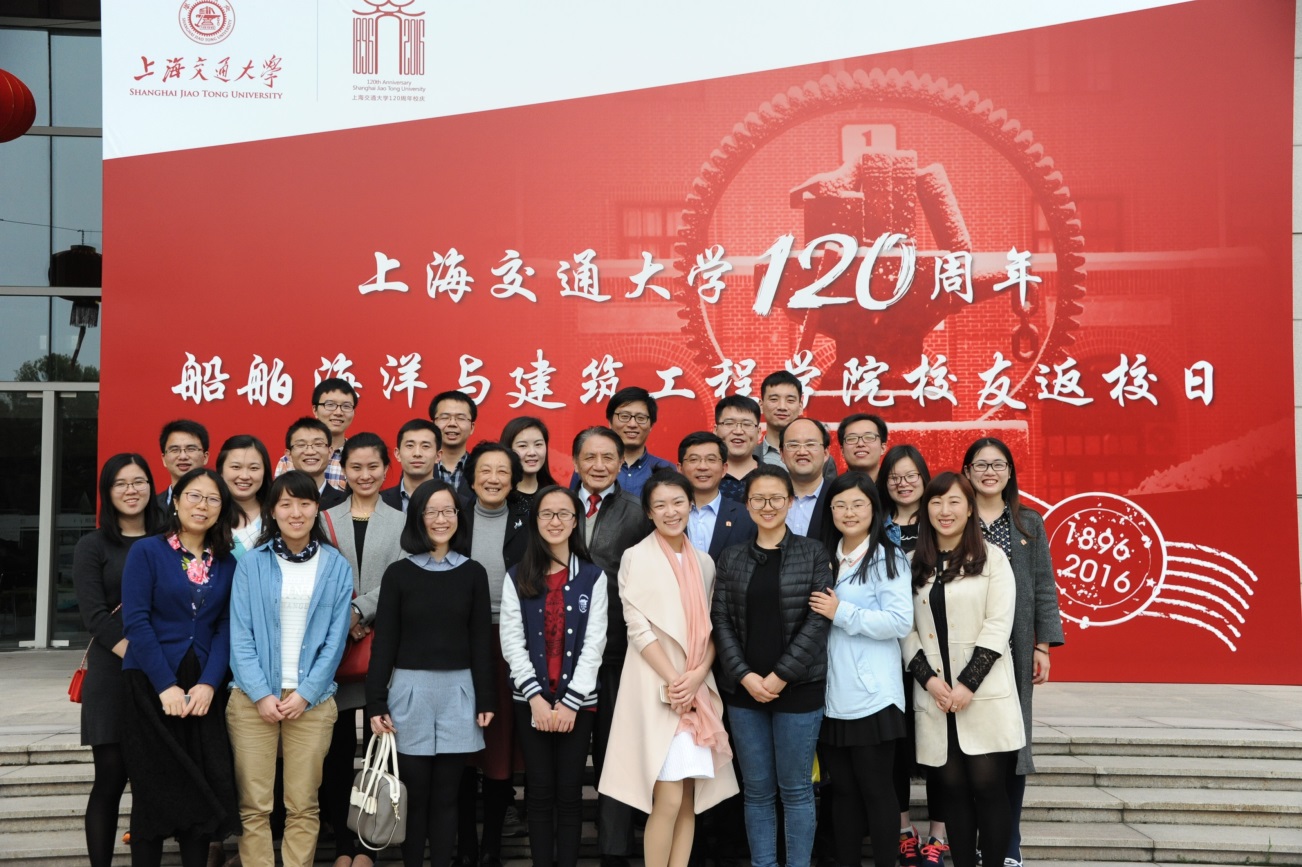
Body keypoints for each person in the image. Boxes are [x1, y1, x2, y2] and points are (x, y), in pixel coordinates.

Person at [600, 472, 739, 867]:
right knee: (668, 797)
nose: (670, 511)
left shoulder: (704, 562)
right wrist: (677, 681)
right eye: (659, 505)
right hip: (657, 688)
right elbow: (637, 628)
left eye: (678, 502)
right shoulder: (636, 557)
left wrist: (696, 677)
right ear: (649, 512)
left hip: (696, 689)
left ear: (690, 504)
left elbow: (714, 628)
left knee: (688, 800)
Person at [366, 479, 496, 867]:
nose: (441, 519)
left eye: (449, 511)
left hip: (459, 692)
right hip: (409, 692)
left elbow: (480, 641)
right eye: (432, 512)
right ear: (418, 518)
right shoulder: (398, 574)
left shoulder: (473, 573)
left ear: (459, 517)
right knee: (414, 794)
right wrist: (376, 702)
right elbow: (384, 643)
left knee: (447, 797)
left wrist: (486, 697)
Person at [227, 470, 353, 867]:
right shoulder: (252, 564)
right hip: (252, 699)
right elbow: (240, 635)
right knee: (254, 805)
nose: (295, 512)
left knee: (303, 803)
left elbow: (335, 641)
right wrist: (261, 694)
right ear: (272, 511)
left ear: (316, 509)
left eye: (304, 503)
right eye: (285, 504)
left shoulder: (336, 566)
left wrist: (305, 693)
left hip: (311, 701)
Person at [711, 464, 831, 867]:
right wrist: (745, 676)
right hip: (744, 694)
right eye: (758, 499)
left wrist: (780, 676)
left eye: (776, 498)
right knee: (757, 791)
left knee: (796, 790)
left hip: (799, 690)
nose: (767, 506)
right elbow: (720, 621)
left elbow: (817, 622)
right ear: (747, 504)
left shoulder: (813, 553)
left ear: (790, 502)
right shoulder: (731, 558)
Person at [119, 467, 240, 867]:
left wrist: (209, 683)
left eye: (213, 499)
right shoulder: (147, 552)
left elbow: (226, 626)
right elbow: (136, 622)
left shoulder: (226, 562)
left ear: (222, 509)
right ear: (175, 501)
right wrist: (165, 685)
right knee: (152, 792)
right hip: (150, 682)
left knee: (200, 789)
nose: (202, 505)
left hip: (202, 687)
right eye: (194, 496)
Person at [903, 473, 1024, 867]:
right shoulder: (912, 562)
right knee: (951, 790)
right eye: (936, 502)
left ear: (970, 508)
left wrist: (967, 684)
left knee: (988, 788)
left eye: (954, 501)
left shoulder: (993, 558)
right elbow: (905, 630)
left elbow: (998, 625)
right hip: (936, 697)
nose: (945, 510)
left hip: (982, 694)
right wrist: (930, 681)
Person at [962, 438, 1064, 867]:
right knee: (972, 748)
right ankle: (976, 838)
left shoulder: (1027, 522)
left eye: (998, 464)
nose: (990, 472)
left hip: (1016, 648)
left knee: (1012, 744)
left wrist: (1043, 644)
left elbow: (1043, 585)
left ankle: (1008, 842)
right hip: (965, 648)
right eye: (981, 465)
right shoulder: (957, 517)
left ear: (1009, 471)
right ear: (967, 471)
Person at [499, 485, 608, 867]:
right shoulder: (517, 576)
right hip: (532, 703)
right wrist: (535, 698)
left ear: (576, 521)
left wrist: (570, 703)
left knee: (570, 793)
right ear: (535, 521)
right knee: (540, 792)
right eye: (547, 513)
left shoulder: (593, 577)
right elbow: (512, 642)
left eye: (564, 514)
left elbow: (595, 644)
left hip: (579, 704)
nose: (555, 521)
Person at [809, 472, 912, 867]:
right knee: (843, 792)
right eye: (840, 505)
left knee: (876, 790)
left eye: (858, 504)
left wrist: (842, 612)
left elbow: (899, 622)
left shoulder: (888, 557)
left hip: (874, 696)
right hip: (833, 695)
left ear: (874, 509)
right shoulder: (824, 556)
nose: (849, 512)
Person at [320, 433, 407, 867]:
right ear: (343, 470)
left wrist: (358, 611)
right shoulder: (324, 519)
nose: (365, 475)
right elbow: (317, 574)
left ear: (386, 470)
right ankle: (342, 844)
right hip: (333, 653)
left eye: (373, 466)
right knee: (336, 754)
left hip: (385, 647)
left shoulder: (403, 521)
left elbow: (401, 575)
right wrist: (343, 617)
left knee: (378, 750)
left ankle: (370, 843)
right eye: (356, 467)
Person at [570, 426, 654, 867]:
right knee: (566, 757)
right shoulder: (557, 505)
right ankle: (563, 848)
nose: (599, 466)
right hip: (562, 652)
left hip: (618, 652)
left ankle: (614, 851)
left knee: (615, 754)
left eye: (608, 457)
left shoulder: (638, 513)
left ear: (622, 463)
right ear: (575, 462)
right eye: (590, 457)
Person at [74, 453, 162, 867]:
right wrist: (140, 656)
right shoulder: (92, 546)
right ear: (108, 492)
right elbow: (95, 616)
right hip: (112, 674)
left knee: (150, 783)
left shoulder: (169, 539)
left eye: (139, 481)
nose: (131, 490)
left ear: (151, 486)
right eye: (121, 483)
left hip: (162, 674)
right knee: (109, 779)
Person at [459, 442, 532, 867]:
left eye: (502, 471)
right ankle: (465, 846)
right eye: (485, 470)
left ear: (514, 479)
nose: (493, 478)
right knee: (461, 746)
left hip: (510, 641)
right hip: (460, 640)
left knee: (500, 746)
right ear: (471, 478)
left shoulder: (529, 519)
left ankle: (491, 848)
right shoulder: (454, 516)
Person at [876, 444, 944, 864]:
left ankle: (939, 833)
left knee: (938, 742)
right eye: (894, 477)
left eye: (911, 475)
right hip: (886, 650)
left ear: (923, 477)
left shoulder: (939, 521)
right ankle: (903, 828)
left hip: (934, 649)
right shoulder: (875, 524)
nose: (903, 484)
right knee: (895, 745)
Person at [678, 431, 756, 560]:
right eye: (693, 460)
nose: (703, 467)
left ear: (724, 469)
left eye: (711, 459)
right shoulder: (666, 515)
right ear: (680, 469)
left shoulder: (747, 517)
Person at [274, 377, 359, 489]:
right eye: (330, 405)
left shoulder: (357, 458)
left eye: (346, 406)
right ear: (315, 410)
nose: (338, 412)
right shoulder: (289, 461)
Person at [753, 372, 835, 481]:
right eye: (774, 399)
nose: (782, 407)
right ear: (761, 405)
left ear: (800, 407)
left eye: (790, 400)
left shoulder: (823, 459)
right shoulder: (750, 456)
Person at [604, 387, 676, 497]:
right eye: (624, 416)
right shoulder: (593, 467)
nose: (632, 424)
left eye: (641, 418)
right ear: (610, 422)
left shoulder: (665, 469)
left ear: (651, 425)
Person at [217, 434, 273, 559]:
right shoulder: (209, 513)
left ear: (265, 472)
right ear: (221, 471)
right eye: (236, 467)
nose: (244, 476)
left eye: (254, 468)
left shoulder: (277, 514)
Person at [780, 418, 833, 539]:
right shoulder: (768, 499)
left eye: (811, 444)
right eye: (793, 445)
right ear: (782, 454)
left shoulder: (838, 497)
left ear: (826, 453)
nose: (802, 452)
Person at [285, 417, 348, 510]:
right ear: (289, 454)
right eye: (301, 445)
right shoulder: (276, 501)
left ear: (330, 452)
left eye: (318, 444)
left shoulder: (346, 502)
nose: (310, 452)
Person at [381, 419, 442, 513]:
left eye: (425, 446)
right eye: (410, 446)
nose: (417, 453)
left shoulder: (456, 502)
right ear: (398, 454)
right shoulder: (379, 501)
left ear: (438, 456)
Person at [429, 390, 478, 502]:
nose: (452, 424)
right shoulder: (421, 466)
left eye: (460, 418)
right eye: (444, 417)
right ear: (433, 425)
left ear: (472, 427)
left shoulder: (482, 469)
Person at [713, 396, 760, 503]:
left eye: (747, 424)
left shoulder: (773, 476)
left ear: (759, 432)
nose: (738, 431)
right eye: (729, 423)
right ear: (715, 430)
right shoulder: (704, 477)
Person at [155, 419, 209, 513]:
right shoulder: (151, 507)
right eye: (175, 450)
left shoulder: (220, 503)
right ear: (163, 459)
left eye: (191, 449)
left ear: (205, 457)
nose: (183, 456)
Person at [501, 415, 558, 495]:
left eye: (538, 444)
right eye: (523, 446)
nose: (532, 453)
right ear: (508, 449)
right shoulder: (499, 495)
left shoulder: (555, 495)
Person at [836, 414, 888, 483]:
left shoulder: (895, 488)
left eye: (869, 437)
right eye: (852, 438)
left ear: (883, 448)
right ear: (842, 451)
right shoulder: (833, 488)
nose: (860, 444)